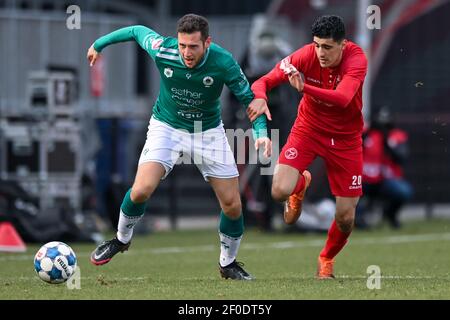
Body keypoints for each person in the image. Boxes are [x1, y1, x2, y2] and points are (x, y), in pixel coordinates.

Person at [86, 14, 271, 280]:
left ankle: (228, 264)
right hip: (167, 127)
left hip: (207, 132)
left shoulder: (224, 61)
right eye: (183, 45)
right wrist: (99, 44)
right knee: (141, 190)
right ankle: (120, 239)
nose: (186, 52)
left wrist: (261, 133)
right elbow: (137, 31)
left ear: (207, 42)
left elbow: (250, 99)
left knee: (232, 205)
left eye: (193, 46)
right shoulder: (164, 49)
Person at [247, 15, 368, 278]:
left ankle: (326, 258)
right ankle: (299, 185)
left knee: (346, 218)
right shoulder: (304, 56)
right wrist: (259, 97)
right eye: (317, 45)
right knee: (279, 192)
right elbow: (263, 80)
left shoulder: (357, 59)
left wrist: (306, 89)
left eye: (327, 47)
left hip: (346, 140)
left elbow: (343, 98)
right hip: (309, 130)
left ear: (343, 44)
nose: (320, 53)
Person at [356, 107, 413, 229]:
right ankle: (358, 219)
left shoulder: (396, 136)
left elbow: (401, 157)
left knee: (403, 191)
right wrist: (366, 135)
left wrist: (387, 142)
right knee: (348, 188)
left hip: (386, 180)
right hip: (365, 179)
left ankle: (390, 214)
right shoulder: (366, 134)